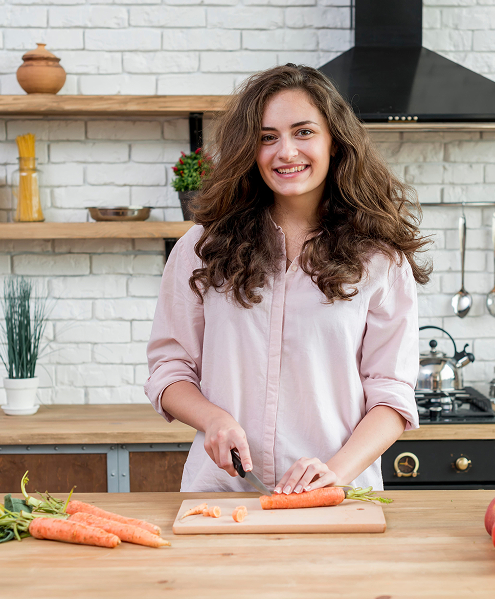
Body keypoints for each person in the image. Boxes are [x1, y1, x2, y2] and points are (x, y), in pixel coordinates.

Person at [144, 64, 431, 494]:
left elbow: (391, 394)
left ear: (334, 142)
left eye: (303, 132)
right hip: (223, 496)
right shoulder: (202, 246)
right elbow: (169, 369)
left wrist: (336, 471)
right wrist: (212, 418)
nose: (286, 152)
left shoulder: (380, 259)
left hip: (337, 497)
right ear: (249, 149)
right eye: (267, 137)